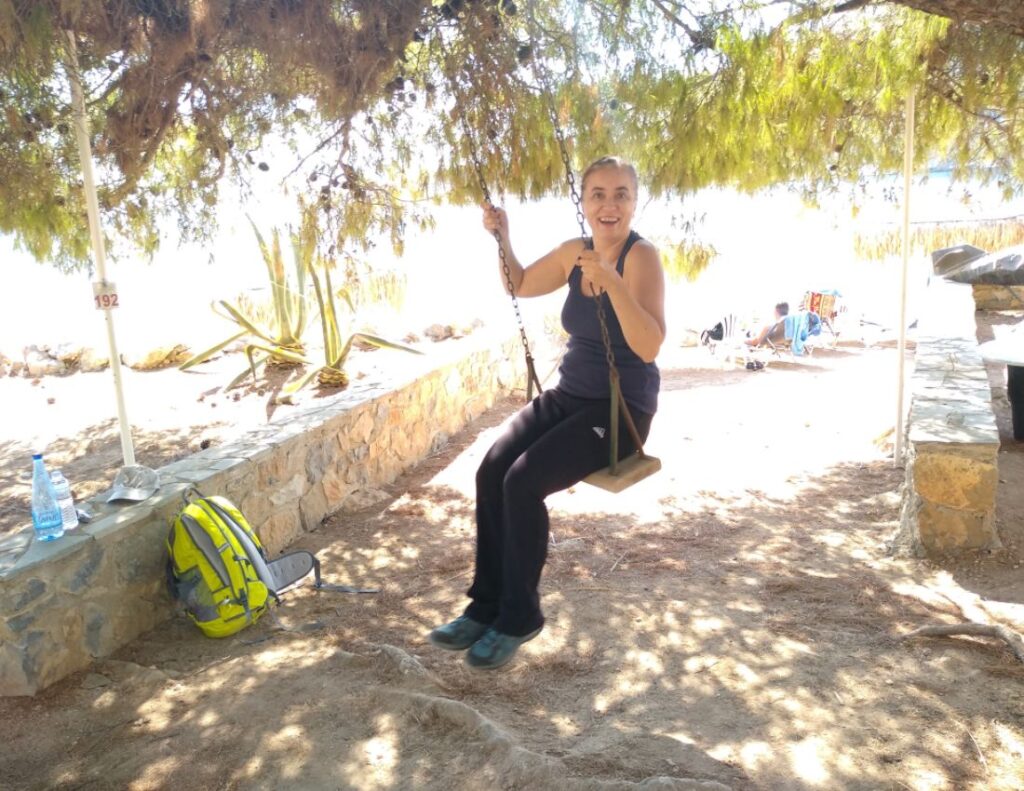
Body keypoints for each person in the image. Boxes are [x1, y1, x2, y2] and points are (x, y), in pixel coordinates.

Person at [428, 156, 666, 670]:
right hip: (568, 395)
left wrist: (614, 283)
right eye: (598, 194)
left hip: (620, 410)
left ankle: (519, 616)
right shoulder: (572, 252)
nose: (609, 204)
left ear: (634, 201)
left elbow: (648, 347)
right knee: (491, 469)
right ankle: (484, 605)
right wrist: (503, 237)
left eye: (621, 194)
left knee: (523, 481)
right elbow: (518, 284)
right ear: (584, 202)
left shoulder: (641, 257)